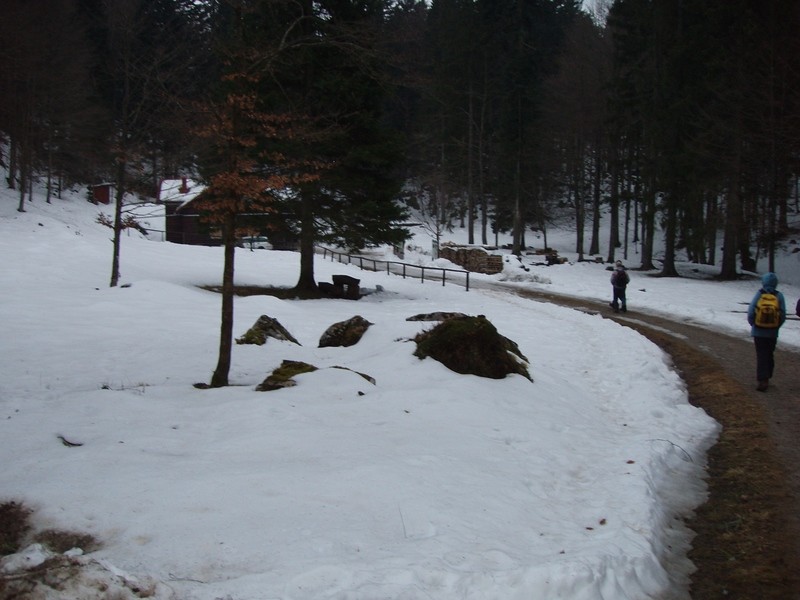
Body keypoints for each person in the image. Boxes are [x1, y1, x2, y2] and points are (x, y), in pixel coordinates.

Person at [747, 272, 786, 392]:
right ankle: (768, 374)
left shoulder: (759, 294)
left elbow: (751, 311)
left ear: (763, 282)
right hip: (772, 332)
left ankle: (762, 380)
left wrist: (753, 324)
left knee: (761, 354)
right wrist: (776, 326)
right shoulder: (779, 296)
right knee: (769, 353)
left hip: (758, 331)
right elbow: (783, 314)